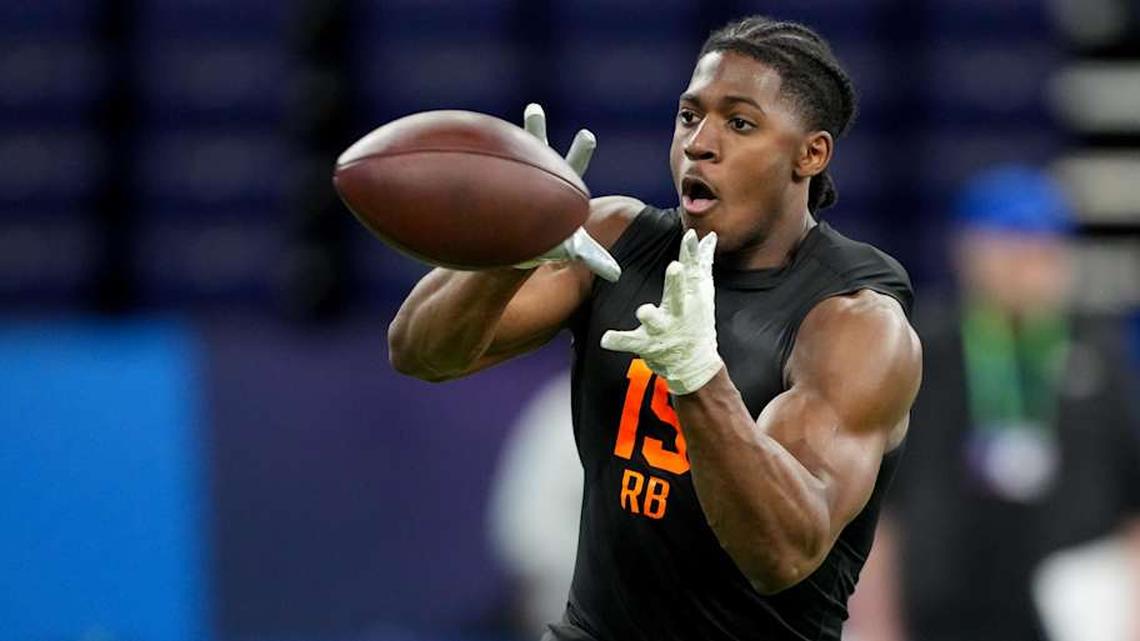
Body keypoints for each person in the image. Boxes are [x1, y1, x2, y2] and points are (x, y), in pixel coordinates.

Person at [388, 16, 922, 641]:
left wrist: (700, 377)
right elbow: (420, 352)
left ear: (811, 153)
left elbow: (781, 553)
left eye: (739, 122)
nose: (700, 142)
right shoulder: (614, 240)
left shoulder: (853, 323)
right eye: (689, 116)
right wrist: (514, 247)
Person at [847, 166, 1140, 641]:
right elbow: (880, 508)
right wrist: (877, 622)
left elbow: (1133, 498)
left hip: (1072, 612)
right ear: (970, 251)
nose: (1033, 265)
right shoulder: (922, 352)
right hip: (944, 610)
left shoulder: (1097, 351)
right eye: (1013, 247)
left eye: (1046, 249)